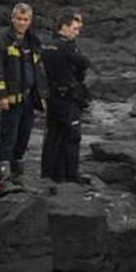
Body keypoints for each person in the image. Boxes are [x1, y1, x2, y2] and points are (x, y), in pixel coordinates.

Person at [0, 3, 47, 195]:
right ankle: (4, 180)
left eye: (26, 19)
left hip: (29, 98)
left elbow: (37, 70)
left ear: (30, 21)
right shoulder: (1, 38)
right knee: (8, 138)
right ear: (12, 18)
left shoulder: (33, 41)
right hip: (11, 99)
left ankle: (17, 177)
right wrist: (1, 96)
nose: (22, 23)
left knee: (23, 138)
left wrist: (43, 96)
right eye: (19, 19)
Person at [41, 12, 88, 183]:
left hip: (53, 96)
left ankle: (50, 173)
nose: (77, 32)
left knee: (53, 135)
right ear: (64, 27)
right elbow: (83, 63)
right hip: (67, 96)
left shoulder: (47, 46)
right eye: (75, 29)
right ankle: (70, 175)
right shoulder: (66, 47)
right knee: (72, 136)